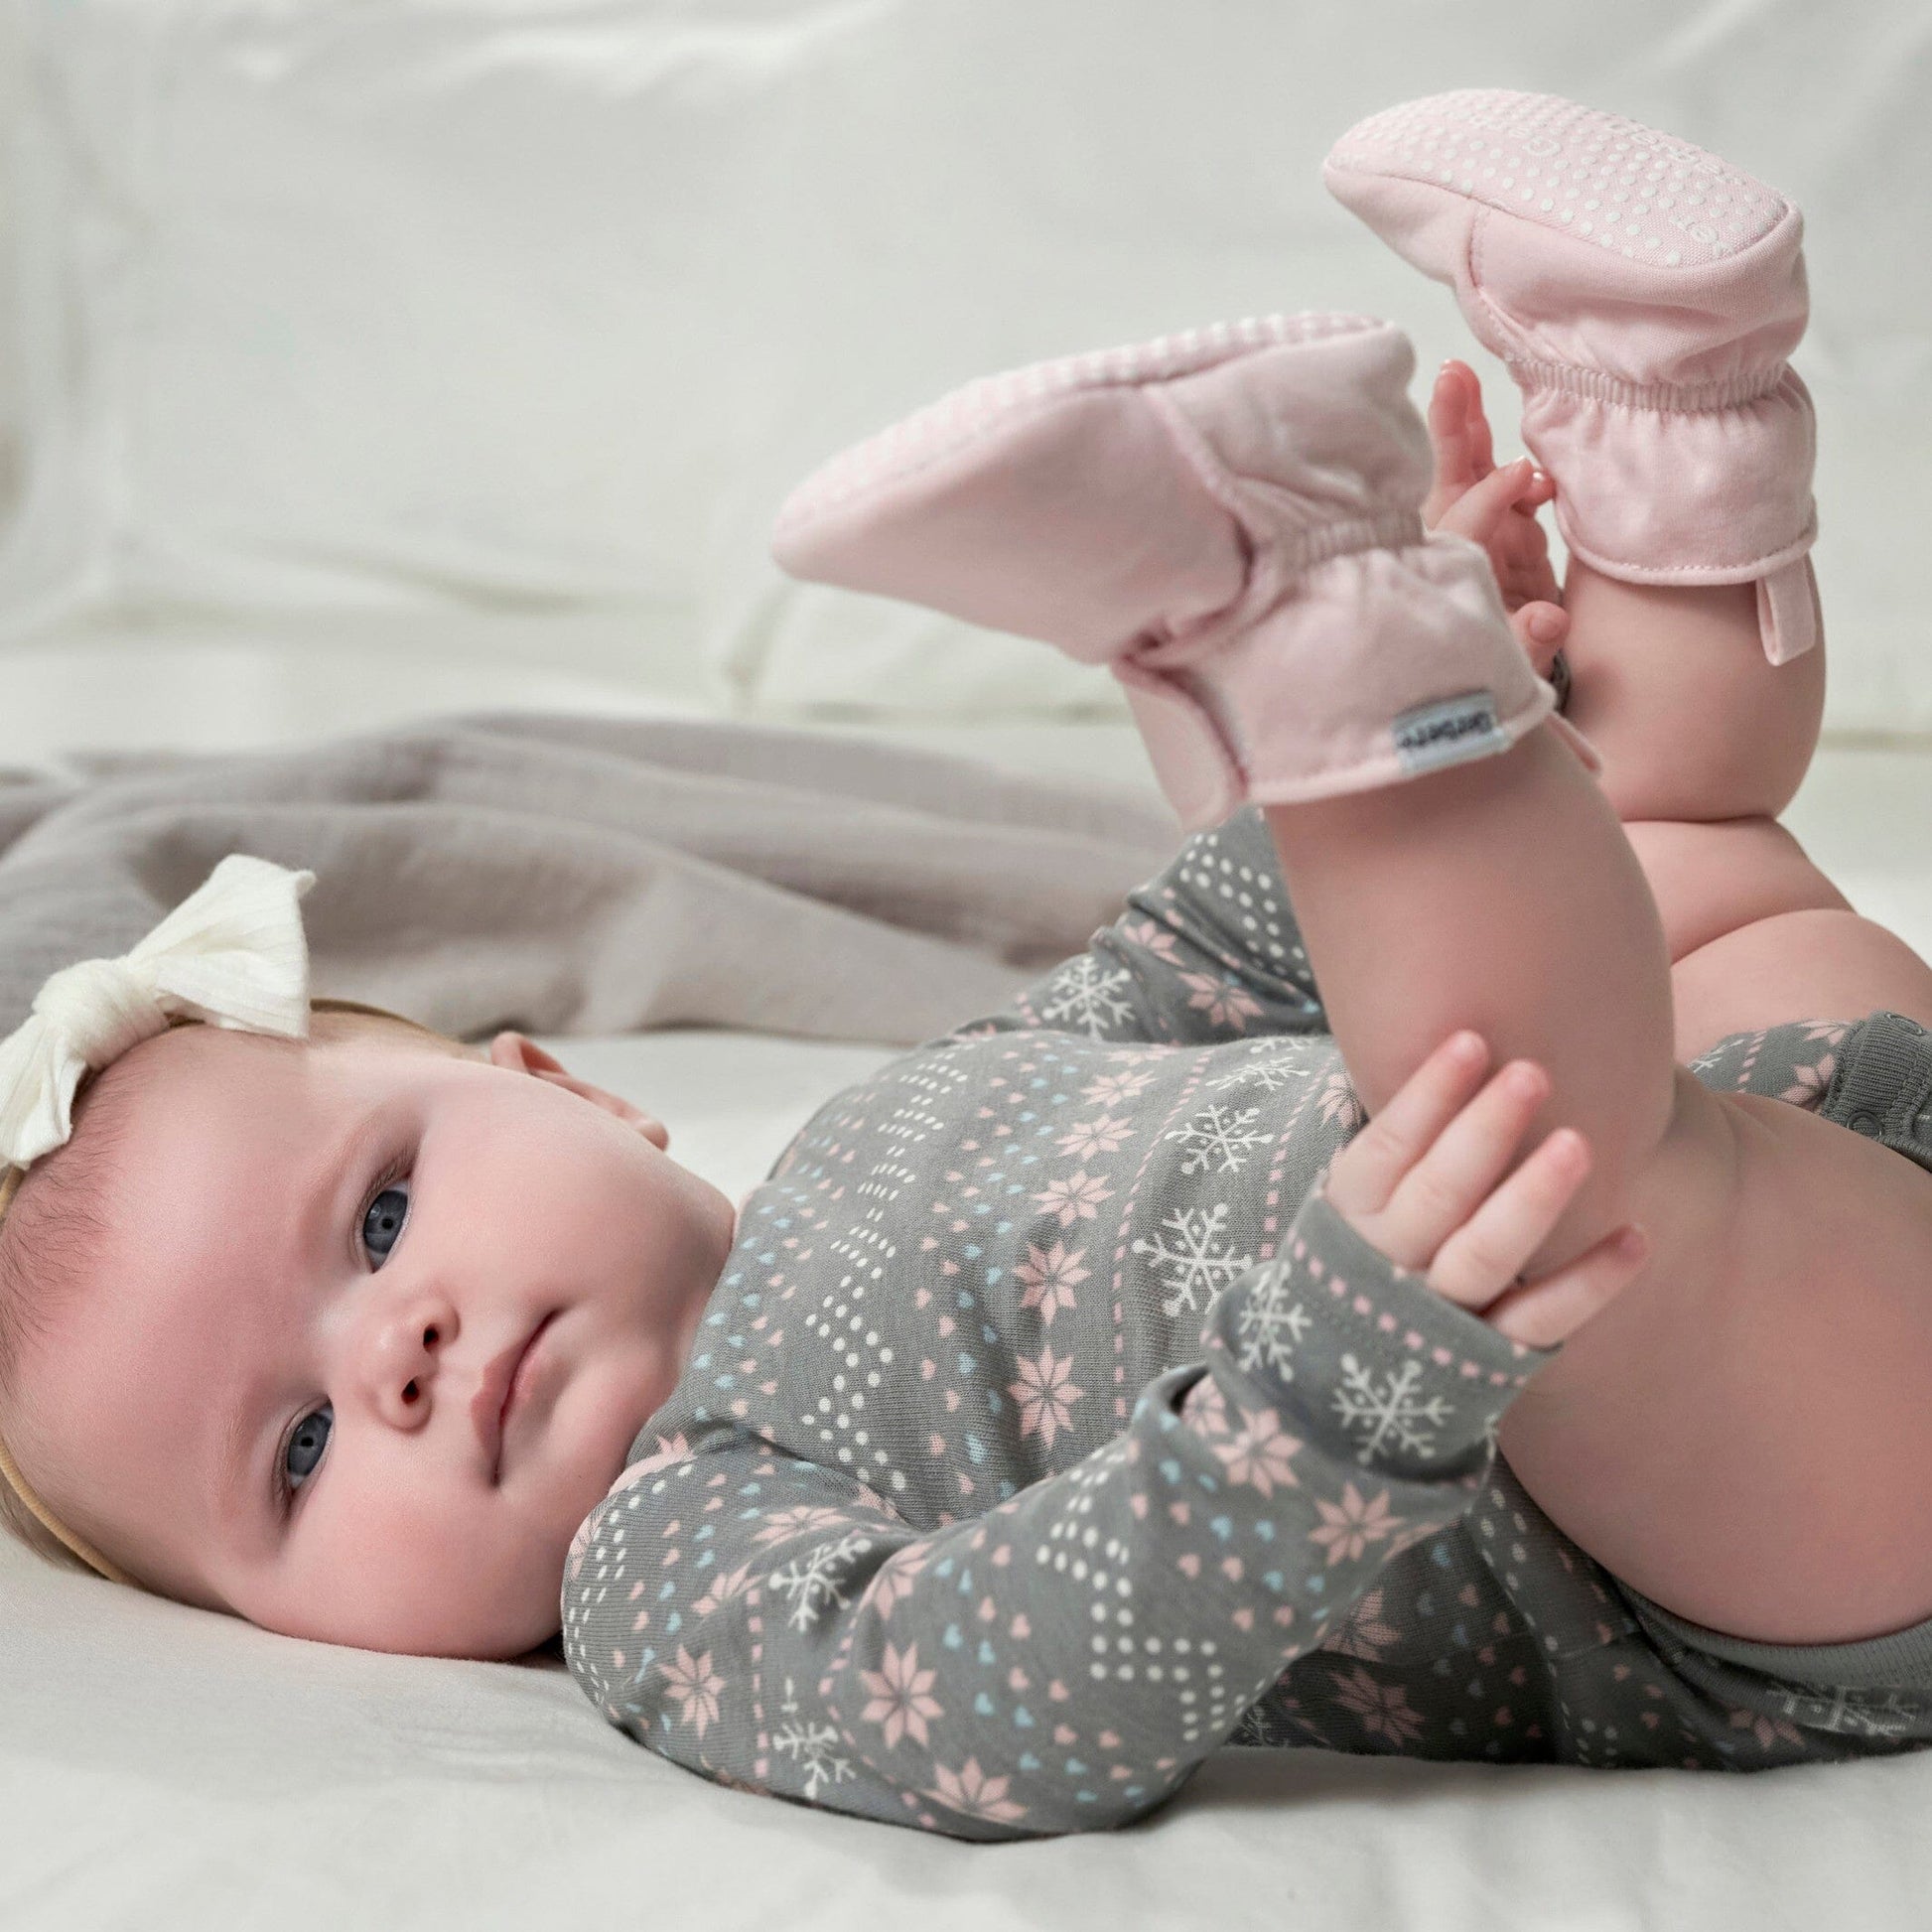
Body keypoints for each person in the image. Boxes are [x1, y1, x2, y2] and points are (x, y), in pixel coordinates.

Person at [3, 89, 1930, 1840]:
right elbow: (989, 1705)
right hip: (1753, 1519)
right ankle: (1337, 647)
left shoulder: (893, 1119)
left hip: (1807, 1115)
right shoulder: (671, 1568)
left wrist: (1450, 712)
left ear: (560, 1081)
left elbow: (1197, 955)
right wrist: (1330, 1398)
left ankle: (1665, 428)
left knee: (1645, 818)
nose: (400, 1350)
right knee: (1539, 1145)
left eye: (380, 1213)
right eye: (302, 1446)